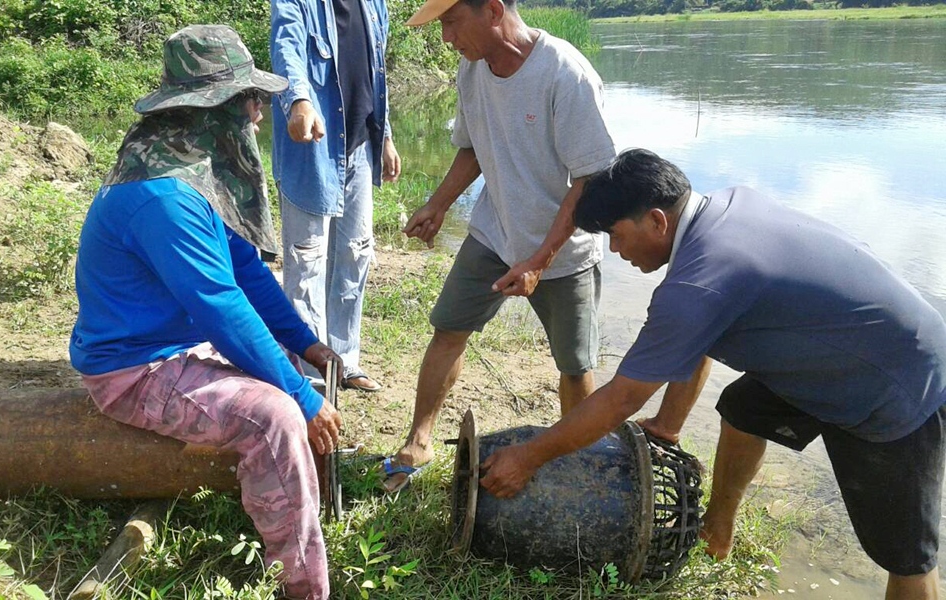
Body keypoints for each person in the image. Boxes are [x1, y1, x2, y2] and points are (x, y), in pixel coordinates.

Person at [480, 148, 946, 600]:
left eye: (616, 235)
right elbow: (698, 337)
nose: (615, 250)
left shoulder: (698, 282)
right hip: (844, 349)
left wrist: (528, 457)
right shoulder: (725, 208)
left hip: (897, 381)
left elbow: (622, 398)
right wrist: (666, 427)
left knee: (907, 557)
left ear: (657, 220)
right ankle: (718, 528)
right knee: (745, 407)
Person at [69, 26, 341, 600]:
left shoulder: (188, 171)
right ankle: (304, 585)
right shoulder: (164, 197)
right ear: (212, 109)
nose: (257, 115)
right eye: (250, 101)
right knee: (276, 416)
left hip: (176, 345)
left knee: (286, 366)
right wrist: (300, 394)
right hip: (136, 370)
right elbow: (223, 308)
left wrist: (306, 344)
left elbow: (245, 272)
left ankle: (293, 498)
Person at [383, 0, 624, 491]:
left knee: (574, 364)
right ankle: (419, 440)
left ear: (492, 11)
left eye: (452, 22)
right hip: (494, 232)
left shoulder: (565, 74)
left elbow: (591, 179)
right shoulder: (472, 69)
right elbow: (473, 146)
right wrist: (438, 204)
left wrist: (539, 260)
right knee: (448, 328)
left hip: (563, 251)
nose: (447, 38)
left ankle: (580, 468)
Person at [270, 0, 400, 392]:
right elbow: (286, 47)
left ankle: (345, 361)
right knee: (306, 261)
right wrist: (299, 100)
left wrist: (386, 137)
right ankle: (312, 373)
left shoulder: (374, 4)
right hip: (312, 146)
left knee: (355, 253)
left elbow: (376, 73)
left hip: (360, 145)